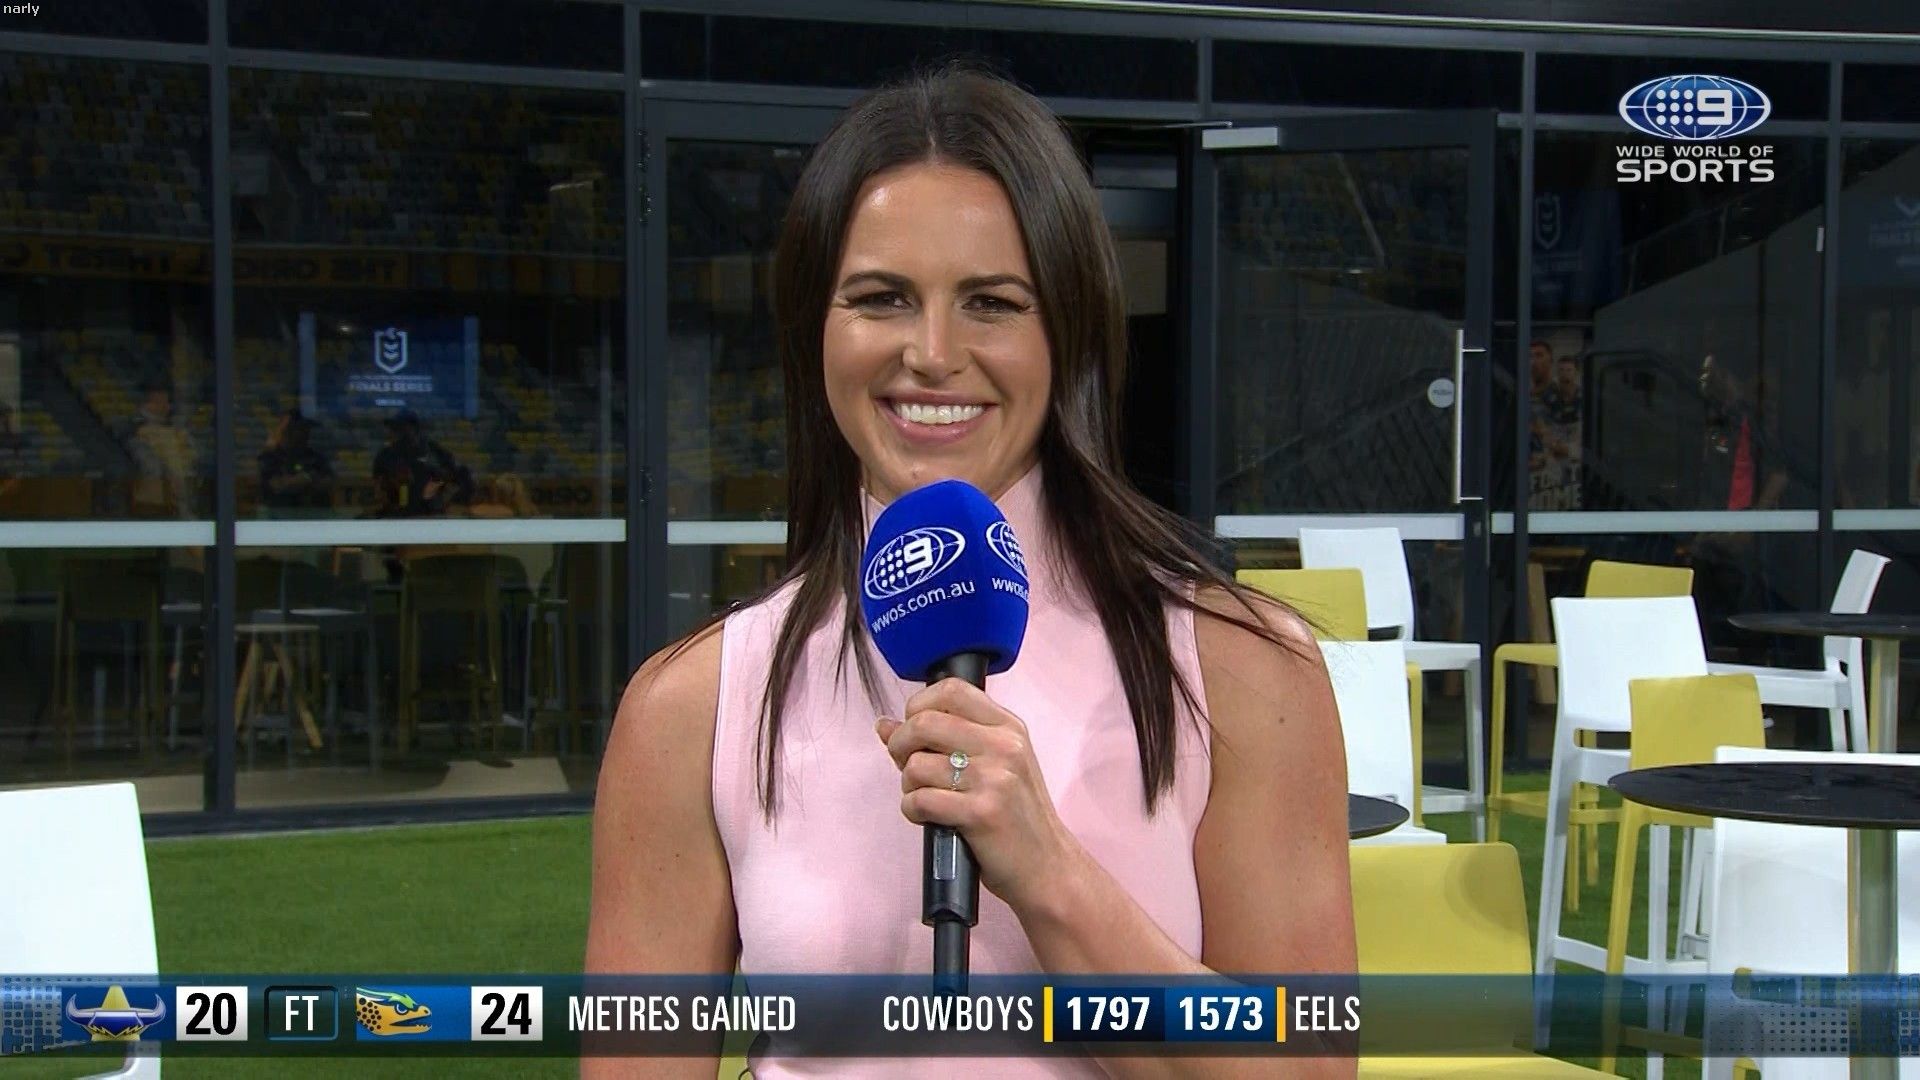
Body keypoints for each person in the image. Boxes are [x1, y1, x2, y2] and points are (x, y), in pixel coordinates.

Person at [585, 66, 1355, 1078]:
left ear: (1069, 330)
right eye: (882, 299)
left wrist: (1050, 875)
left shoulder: (1245, 673)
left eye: (991, 302)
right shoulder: (692, 707)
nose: (933, 354)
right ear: (815, 330)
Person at [369, 409, 470, 517]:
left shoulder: (434, 451)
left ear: (414, 428)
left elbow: (458, 477)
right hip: (395, 515)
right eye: (394, 427)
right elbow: (377, 485)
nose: (396, 431)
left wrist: (445, 500)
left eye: (401, 427)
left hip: (430, 515)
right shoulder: (386, 455)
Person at [122, 382, 196, 517]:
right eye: (159, 401)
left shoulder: (175, 428)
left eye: (166, 401)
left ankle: (182, 502)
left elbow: (191, 452)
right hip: (151, 498)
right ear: (149, 403)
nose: (165, 406)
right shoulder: (137, 428)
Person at [257, 409, 334, 512]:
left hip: (314, 514)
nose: (305, 433)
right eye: (299, 429)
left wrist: (309, 479)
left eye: (306, 429)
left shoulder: (314, 456)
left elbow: (329, 481)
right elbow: (275, 485)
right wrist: (301, 480)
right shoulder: (270, 457)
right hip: (280, 515)